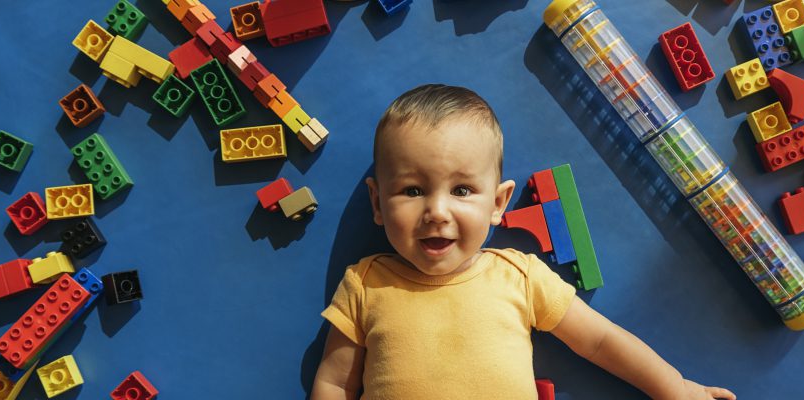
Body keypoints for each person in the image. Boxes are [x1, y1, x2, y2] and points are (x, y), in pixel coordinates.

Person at [310, 84, 736, 400]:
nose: (437, 211)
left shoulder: (519, 275)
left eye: (461, 191)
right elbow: (333, 382)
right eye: (412, 190)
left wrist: (676, 389)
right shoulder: (366, 284)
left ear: (498, 203)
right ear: (378, 203)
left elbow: (601, 341)